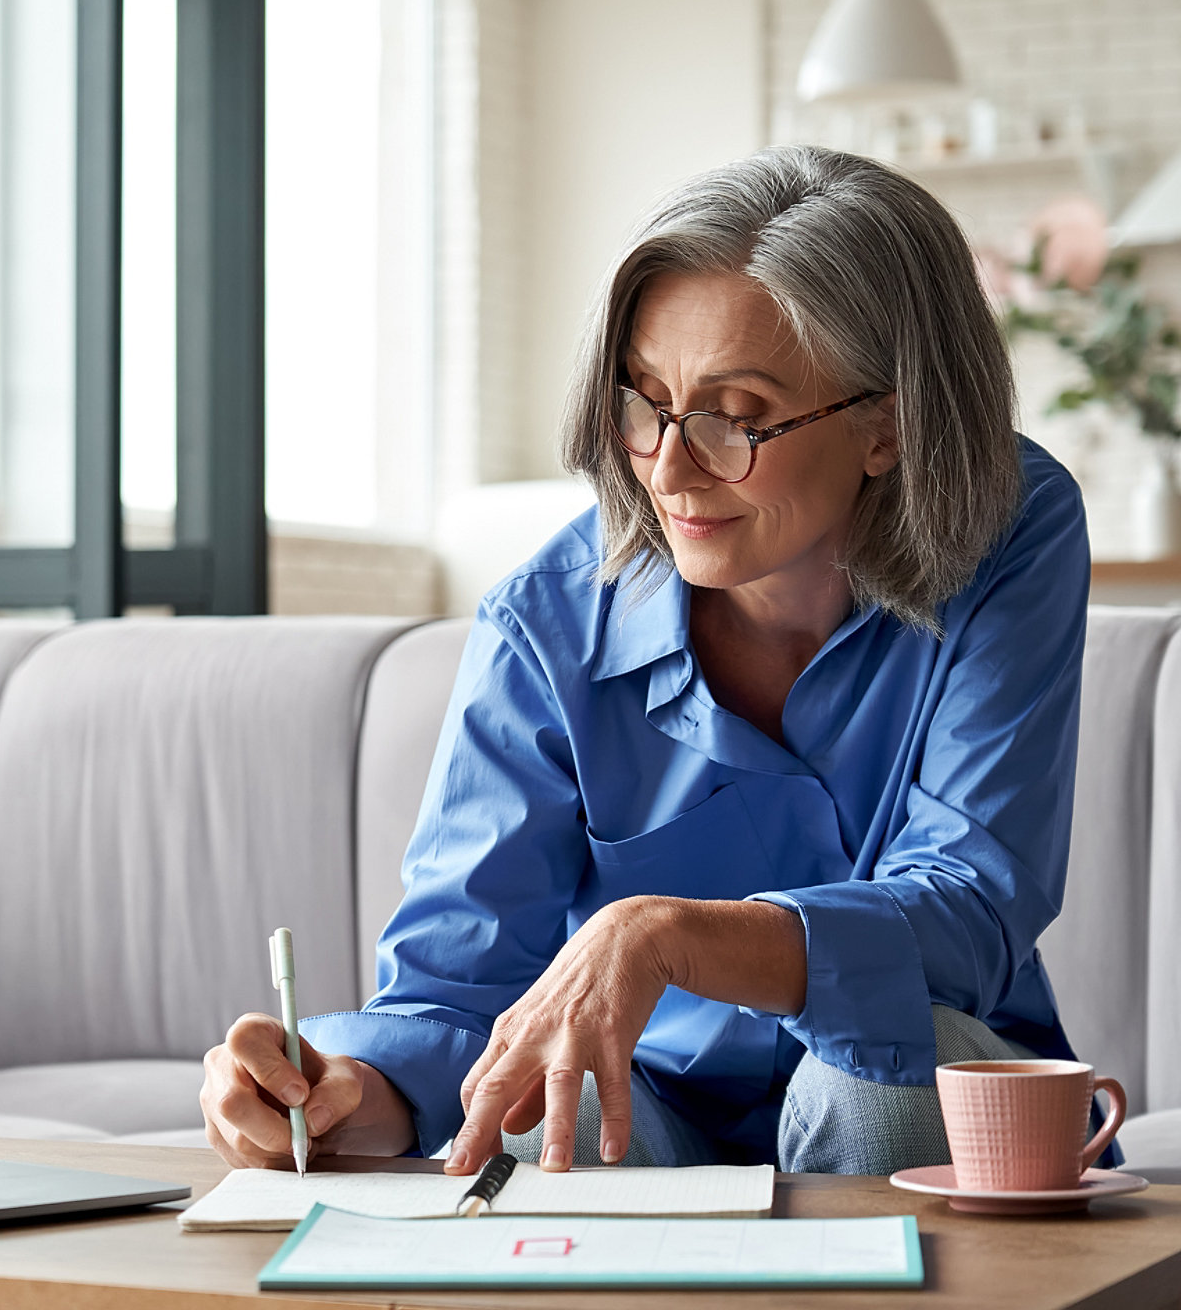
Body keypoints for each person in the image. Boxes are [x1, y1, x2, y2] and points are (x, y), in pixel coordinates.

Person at [201, 145, 1093, 1178]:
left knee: (880, 1063)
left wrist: (668, 934)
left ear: (886, 429)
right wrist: (343, 1096)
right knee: (549, 1098)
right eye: (643, 404)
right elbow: (457, 989)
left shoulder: (1010, 528)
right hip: (651, 1107)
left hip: (911, 1095)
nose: (668, 471)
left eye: (735, 418)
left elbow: (971, 905)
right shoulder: (545, 623)